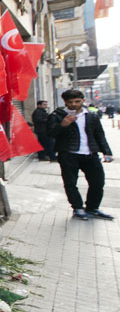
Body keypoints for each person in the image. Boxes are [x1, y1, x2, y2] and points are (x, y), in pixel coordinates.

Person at [47, 89, 114, 220]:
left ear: (83, 101)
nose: (73, 104)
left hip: (90, 153)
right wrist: (63, 124)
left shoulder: (91, 115)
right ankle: (77, 207)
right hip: (68, 154)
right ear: (65, 102)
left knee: (98, 182)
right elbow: (50, 133)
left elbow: (99, 134)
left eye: (77, 101)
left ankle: (92, 208)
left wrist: (107, 152)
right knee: (71, 183)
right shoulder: (57, 115)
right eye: (70, 102)